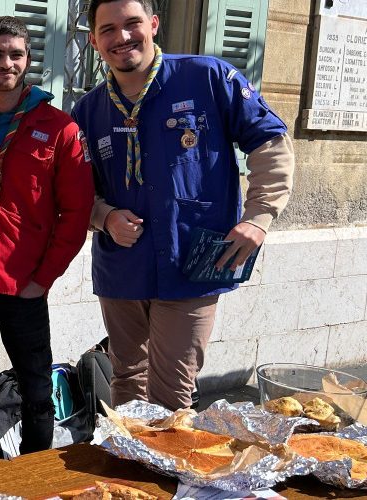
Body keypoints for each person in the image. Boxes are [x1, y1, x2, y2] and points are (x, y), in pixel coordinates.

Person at [72, 0, 294, 410]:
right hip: (122, 268)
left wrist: (259, 217)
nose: (122, 37)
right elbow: (74, 193)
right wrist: (103, 217)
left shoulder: (206, 77)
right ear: (94, 41)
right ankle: (126, 473)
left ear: (154, 24)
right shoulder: (87, 110)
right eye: (108, 30)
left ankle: (167, 475)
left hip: (190, 262)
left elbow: (270, 144)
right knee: (126, 382)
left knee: (172, 393)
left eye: (132, 23)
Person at [0, 16, 94, 455]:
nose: (6, 63)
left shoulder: (60, 128)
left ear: (28, 61)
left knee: (36, 390)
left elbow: (76, 213)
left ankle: (33, 475)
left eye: (15, 54)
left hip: (23, 284)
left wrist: (42, 280)